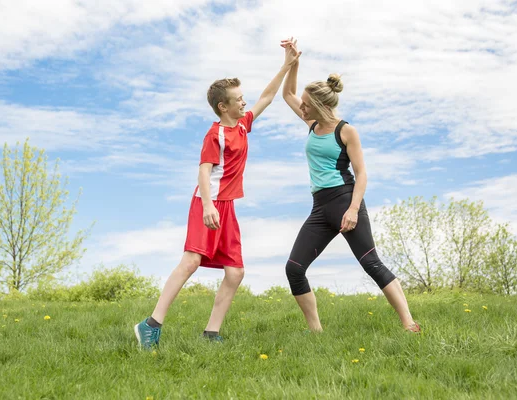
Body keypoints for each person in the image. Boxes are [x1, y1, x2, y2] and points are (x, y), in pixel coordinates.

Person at [133, 43, 302, 349]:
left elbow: (267, 97)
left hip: (227, 207)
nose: (244, 102)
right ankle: (150, 325)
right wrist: (209, 205)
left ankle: (211, 333)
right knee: (190, 261)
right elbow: (203, 171)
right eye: (238, 99)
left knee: (235, 272)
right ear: (223, 106)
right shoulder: (215, 134)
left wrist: (287, 65)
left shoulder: (242, 126)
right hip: (206, 203)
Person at [280, 38, 420, 333]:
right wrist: (293, 62)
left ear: (319, 105)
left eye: (306, 105)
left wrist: (354, 210)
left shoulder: (346, 131)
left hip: (345, 202)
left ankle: (409, 323)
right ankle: (316, 331)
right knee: (294, 268)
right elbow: (288, 93)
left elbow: (362, 173)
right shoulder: (312, 125)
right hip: (320, 207)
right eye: (303, 105)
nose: (301, 108)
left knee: (371, 263)